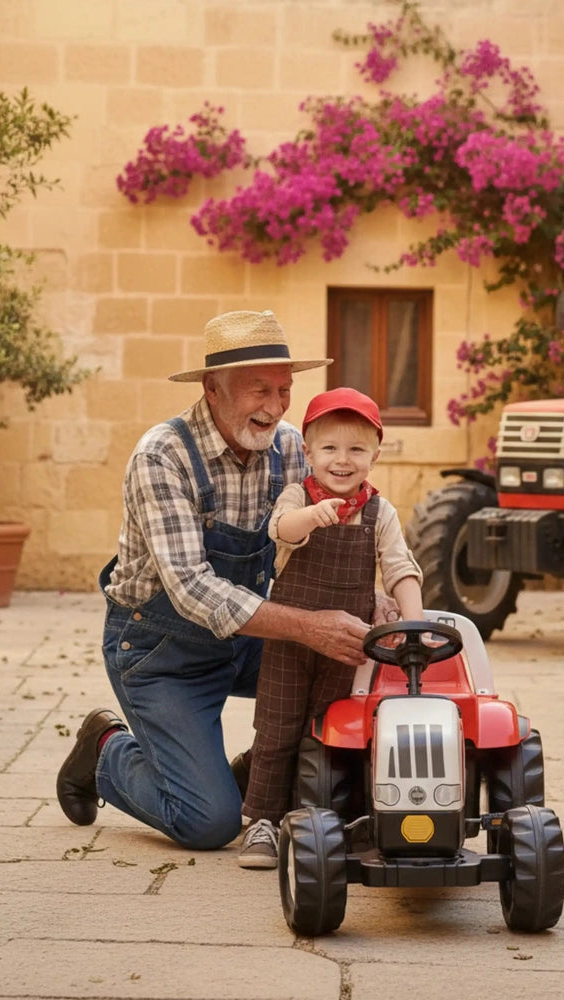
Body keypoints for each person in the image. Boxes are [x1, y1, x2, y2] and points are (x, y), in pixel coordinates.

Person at [55, 310, 384, 851]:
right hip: (163, 651)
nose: (276, 408)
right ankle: (106, 750)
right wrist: (307, 627)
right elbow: (189, 587)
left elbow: (329, 543)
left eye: (284, 390)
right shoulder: (162, 456)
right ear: (212, 388)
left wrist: (375, 595)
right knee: (207, 823)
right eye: (259, 391)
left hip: (253, 637)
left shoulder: (289, 447)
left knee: (350, 672)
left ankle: (261, 778)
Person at [236, 387, 424, 867]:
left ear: (374, 456)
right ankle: (260, 821)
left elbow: (400, 567)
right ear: (308, 452)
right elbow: (280, 530)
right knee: (277, 727)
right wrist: (311, 518)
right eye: (330, 449)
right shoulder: (298, 496)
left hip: (348, 647)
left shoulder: (380, 512)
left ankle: (312, 819)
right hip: (289, 642)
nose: (342, 461)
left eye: (356, 449)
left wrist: (416, 622)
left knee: (327, 730)